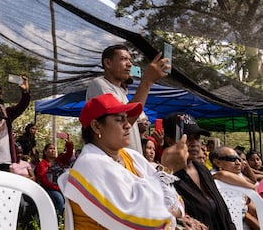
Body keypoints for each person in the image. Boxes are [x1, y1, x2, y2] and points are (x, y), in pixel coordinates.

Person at [60, 93, 193, 230]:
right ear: (96, 126)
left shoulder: (129, 156)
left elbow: (177, 203)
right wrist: (166, 169)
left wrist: (164, 210)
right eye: (119, 119)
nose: (128, 125)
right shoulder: (89, 164)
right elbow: (140, 221)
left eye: (126, 119)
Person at [86, 44, 170, 153]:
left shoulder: (122, 93)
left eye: (130, 60)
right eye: (123, 59)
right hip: (115, 164)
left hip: (128, 163)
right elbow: (122, 123)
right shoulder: (99, 84)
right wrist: (147, 81)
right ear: (108, 63)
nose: (130, 64)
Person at [162, 113, 236, 230]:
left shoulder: (202, 169)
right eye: (187, 138)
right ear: (170, 141)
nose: (194, 143)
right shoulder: (166, 176)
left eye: (196, 137)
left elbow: (223, 212)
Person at [0, 77, 31, 171]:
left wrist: (25, 92)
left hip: (6, 161)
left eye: (0, 93)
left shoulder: (7, 113)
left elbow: (22, 106)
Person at [212, 146, 260, 230]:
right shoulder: (214, 177)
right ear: (217, 162)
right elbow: (222, 175)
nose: (238, 163)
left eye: (239, 159)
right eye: (231, 159)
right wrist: (251, 187)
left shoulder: (238, 176)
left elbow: (254, 181)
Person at [35, 139, 73, 216]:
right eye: (50, 148)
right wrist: (58, 188)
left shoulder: (59, 160)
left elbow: (69, 154)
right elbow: (44, 181)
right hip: (49, 190)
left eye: (54, 148)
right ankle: (57, 221)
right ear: (45, 152)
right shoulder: (42, 164)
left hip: (62, 189)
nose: (53, 150)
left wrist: (69, 145)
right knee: (59, 199)